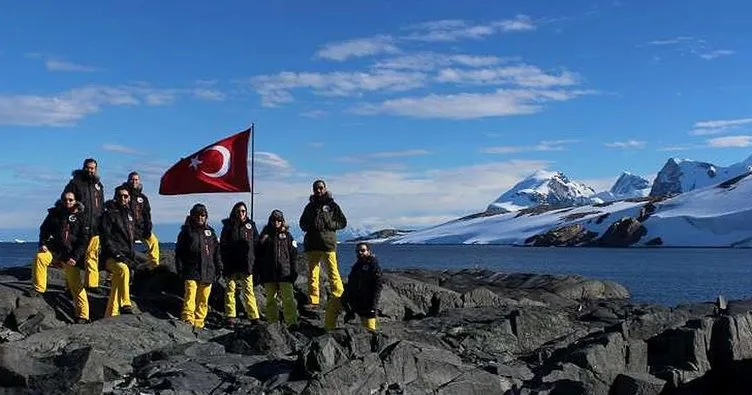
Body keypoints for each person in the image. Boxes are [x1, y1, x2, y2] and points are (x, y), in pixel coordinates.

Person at [30, 191, 91, 323]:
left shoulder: (81, 217)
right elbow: (44, 229)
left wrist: (75, 257)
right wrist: (43, 244)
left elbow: (83, 240)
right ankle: (39, 288)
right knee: (40, 257)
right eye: (65, 200)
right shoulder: (54, 213)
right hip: (55, 251)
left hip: (70, 255)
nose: (67, 202)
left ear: (75, 201)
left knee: (76, 285)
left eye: (70, 200)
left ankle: (83, 315)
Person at [298, 179, 347, 321]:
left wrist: (330, 224)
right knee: (312, 273)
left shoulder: (332, 206)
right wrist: (308, 227)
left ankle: (338, 298)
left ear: (325, 189)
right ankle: (313, 300)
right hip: (312, 244)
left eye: (320, 188)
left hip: (328, 243)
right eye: (316, 188)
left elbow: (343, 222)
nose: (318, 190)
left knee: (333, 272)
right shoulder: (310, 206)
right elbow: (302, 222)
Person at [175, 203, 222, 330]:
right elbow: (179, 252)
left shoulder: (210, 233)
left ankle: (199, 321)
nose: (200, 218)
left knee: (203, 297)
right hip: (191, 269)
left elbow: (216, 252)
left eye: (203, 215)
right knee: (190, 293)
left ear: (206, 217)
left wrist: (219, 267)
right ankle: (187, 318)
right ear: (192, 216)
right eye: (197, 215)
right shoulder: (186, 231)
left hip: (208, 270)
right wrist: (179, 268)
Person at [63, 158, 105, 290]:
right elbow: (66, 200)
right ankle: (69, 285)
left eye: (92, 168)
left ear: (96, 169)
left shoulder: (98, 186)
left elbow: (101, 205)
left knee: (92, 255)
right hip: (78, 224)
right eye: (87, 167)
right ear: (83, 167)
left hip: (95, 225)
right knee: (73, 254)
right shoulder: (75, 183)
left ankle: (92, 284)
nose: (90, 170)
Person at [220, 202, 260, 327]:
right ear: (234, 212)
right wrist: (224, 260)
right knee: (230, 290)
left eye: (243, 211)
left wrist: (255, 261)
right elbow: (223, 245)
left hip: (246, 263)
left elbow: (256, 243)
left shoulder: (251, 226)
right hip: (231, 263)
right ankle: (230, 316)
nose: (241, 213)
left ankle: (253, 316)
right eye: (238, 211)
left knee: (248, 290)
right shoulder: (228, 226)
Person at [100, 184, 138, 317]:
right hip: (111, 257)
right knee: (122, 270)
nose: (123, 198)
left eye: (126, 196)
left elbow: (133, 236)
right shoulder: (109, 214)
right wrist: (116, 254)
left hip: (127, 256)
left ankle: (110, 314)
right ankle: (126, 303)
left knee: (117, 283)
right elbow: (106, 237)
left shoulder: (130, 215)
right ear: (116, 197)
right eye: (120, 196)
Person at [255, 209, 298, 327]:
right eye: (274, 220)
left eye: (279, 220)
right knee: (270, 300)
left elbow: (293, 254)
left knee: (288, 299)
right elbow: (258, 253)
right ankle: (272, 322)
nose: (276, 222)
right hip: (269, 273)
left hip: (285, 273)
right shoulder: (265, 236)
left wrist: (293, 271)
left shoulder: (288, 236)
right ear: (270, 221)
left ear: (282, 221)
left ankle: (292, 322)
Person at [341, 242, 383, 332]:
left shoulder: (373, 265)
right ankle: (328, 329)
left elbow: (378, 287)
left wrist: (373, 306)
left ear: (368, 251)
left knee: (371, 331)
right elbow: (351, 285)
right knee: (332, 306)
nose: (360, 252)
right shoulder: (356, 266)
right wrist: (346, 300)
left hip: (368, 304)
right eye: (358, 251)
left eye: (363, 250)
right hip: (356, 302)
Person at [122, 171, 160, 267]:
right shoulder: (123, 195)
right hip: (127, 229)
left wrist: (148, 229)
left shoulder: (143, 198)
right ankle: (111, 276)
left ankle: (154, 266)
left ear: (139, 181)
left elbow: (147, 214)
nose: (134, 181)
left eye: (136, 179)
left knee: (154, 242)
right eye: (132, 179)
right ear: (128, 181)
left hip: (141, 229)